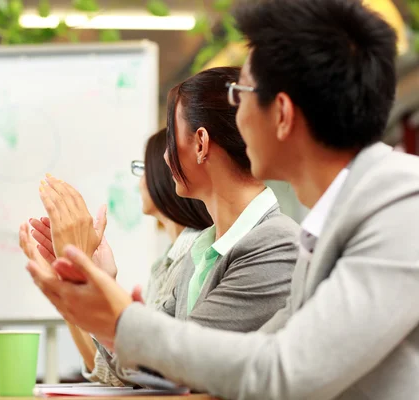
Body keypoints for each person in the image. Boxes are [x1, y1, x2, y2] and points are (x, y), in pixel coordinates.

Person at [25, 0, 419, 398]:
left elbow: (282, 372)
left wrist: (124, 321)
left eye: (241, 92)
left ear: (280, 113)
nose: (236, 114)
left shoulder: (401, 208)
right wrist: (115, 314)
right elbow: (253, 357)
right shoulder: (333, 223)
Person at [25, 66, 300, 376]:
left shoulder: (276, 243)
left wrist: (94, 282)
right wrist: (96, 277)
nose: (166, 158)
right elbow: (131, 370)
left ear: (200, 143)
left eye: (171, 137)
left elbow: (171, 363)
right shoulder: (200, 250)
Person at [22, 129, 212, 386]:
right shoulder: (168, 259)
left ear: (165, 171)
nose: (139, 181)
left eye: (143, 168)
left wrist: (85, 275)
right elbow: (106, 368)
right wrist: (67, 283)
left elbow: (136, 374)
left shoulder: (195, 254)